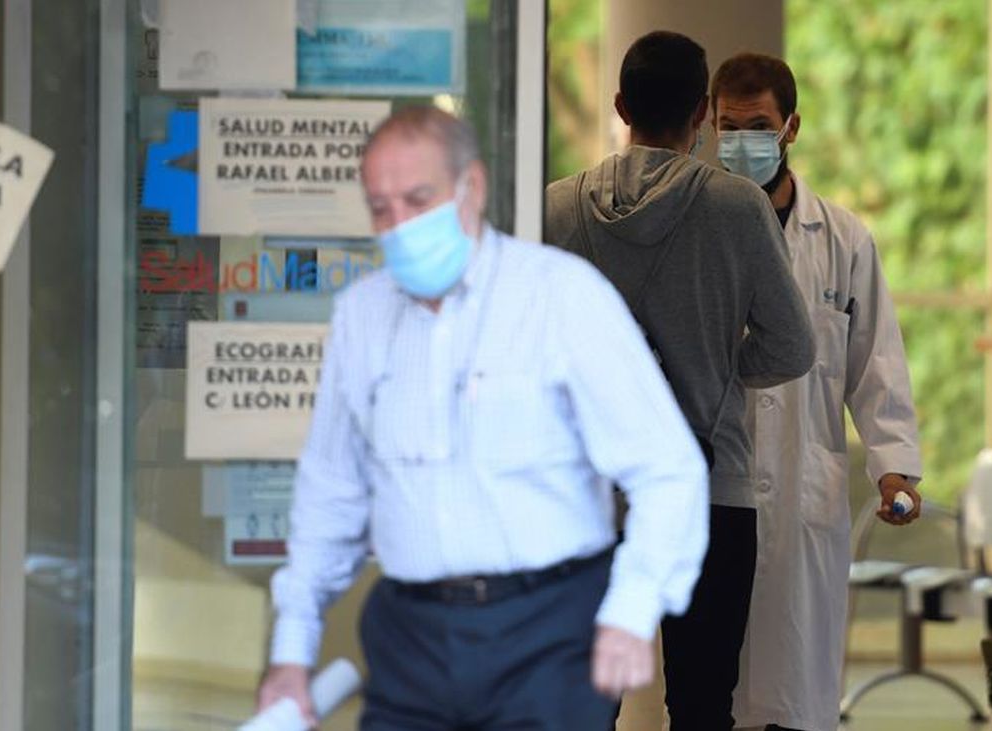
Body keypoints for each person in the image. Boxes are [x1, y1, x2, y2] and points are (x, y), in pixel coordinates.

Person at [256, 105, 710, 731]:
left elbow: (667, 469)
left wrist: (632, 610)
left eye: (418, 199)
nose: (399, 225)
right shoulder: (361, 317)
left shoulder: (560, 296)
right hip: (409, 637)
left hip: (547, 636)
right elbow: (330, 492)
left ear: (472, 187)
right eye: (380, 208)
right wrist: (291, 651)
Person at [546, 31, 816, 731]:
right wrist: (718, 370)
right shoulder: (737, 208)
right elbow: (792, 346)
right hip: (710, 490)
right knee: (701, 705)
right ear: (702, 113)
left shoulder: (554, 210)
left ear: (619, 104)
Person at [711, 53, 925, 731]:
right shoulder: (698, 230)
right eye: (728, 126)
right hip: (715, 488)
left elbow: (876, 363)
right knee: (710, 692)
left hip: (807, 486)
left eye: (759, 125)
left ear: (792, 126)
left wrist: (894, 464)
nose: (743, 141)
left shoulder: (842, 240)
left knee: (798, 695)